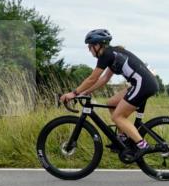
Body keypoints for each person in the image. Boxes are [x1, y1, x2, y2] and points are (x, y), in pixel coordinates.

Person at [60, 29, 159, 159]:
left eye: (90, 46)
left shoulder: (106, 54)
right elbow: (104, 79)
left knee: (118, 117)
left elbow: (92, 78)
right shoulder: (113, 54)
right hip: (141, 83)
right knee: (111, 103)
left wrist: (73, 93)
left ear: (97, 45)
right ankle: (123, 138)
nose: (89, 50)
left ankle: (143, 145)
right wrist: (85, 92)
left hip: (143, 84)